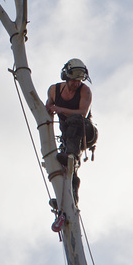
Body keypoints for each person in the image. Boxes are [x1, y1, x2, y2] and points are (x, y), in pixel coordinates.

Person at [46, 58, 98, 202]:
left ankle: (72, 158)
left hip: (85, 131)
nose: (76, 84)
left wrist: (59, 109)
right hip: (68, 136)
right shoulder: (54, 90)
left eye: (79, 81)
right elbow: (47, 109)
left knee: (74, 120)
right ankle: (69, 198)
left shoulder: (85, 91)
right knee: (63, 162)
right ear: (66, 77)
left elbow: (81, 113)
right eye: (74, 80)